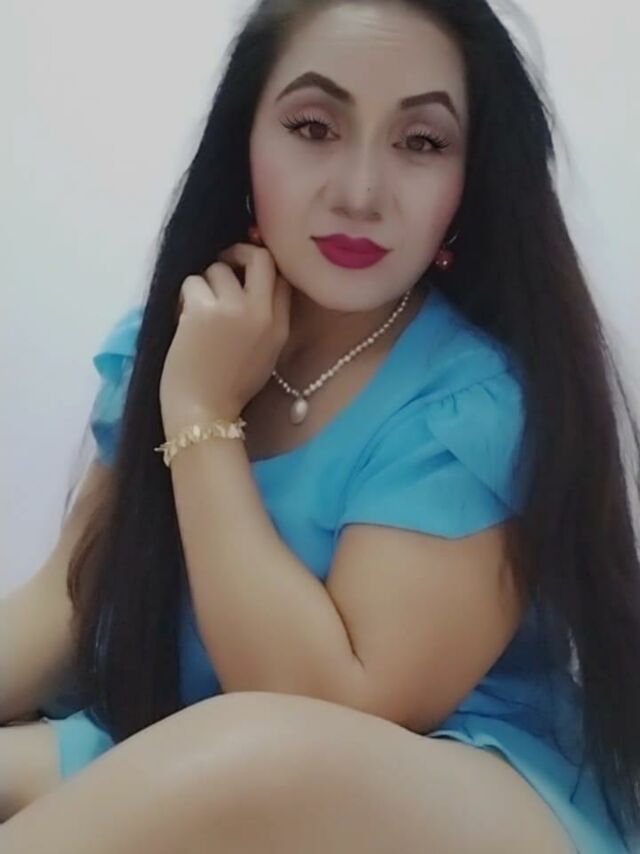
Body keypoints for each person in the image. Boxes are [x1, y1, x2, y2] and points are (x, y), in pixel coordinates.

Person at [2, 0, 639, 851]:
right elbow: (69, 600)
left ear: (470, 179)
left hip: (449, 792)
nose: (361, 193)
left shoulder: (475, 400)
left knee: (257, 760)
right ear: (244, 144)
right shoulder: (190, 337)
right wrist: (193, 384)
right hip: (212, 757)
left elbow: (326, 713)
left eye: (421, 142)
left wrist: (202, 417)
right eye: (313, 127)